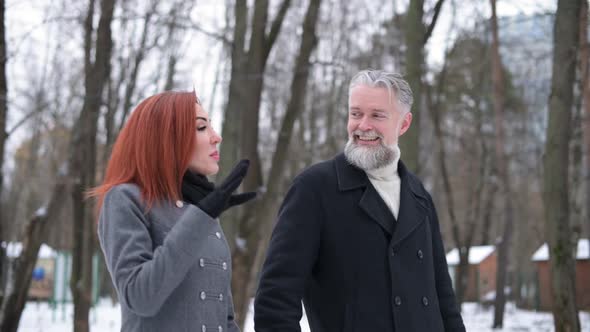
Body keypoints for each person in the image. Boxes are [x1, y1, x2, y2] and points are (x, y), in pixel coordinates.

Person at [254, 70, 466, 331]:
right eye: (356, 114)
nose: (363, 125)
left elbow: (444, 299)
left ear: (404, 123)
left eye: (377, 115)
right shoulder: (315, 188)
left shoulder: (419, 195)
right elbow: (274, 302)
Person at [90, 91, 255, 332]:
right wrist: (203, 215)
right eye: (201, 128)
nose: (216, 137)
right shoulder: (125, 199)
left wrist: (205, 213)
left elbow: (223, 318)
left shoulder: (201, 209)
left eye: (211, 127)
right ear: (167, 138)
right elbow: (140, 296)